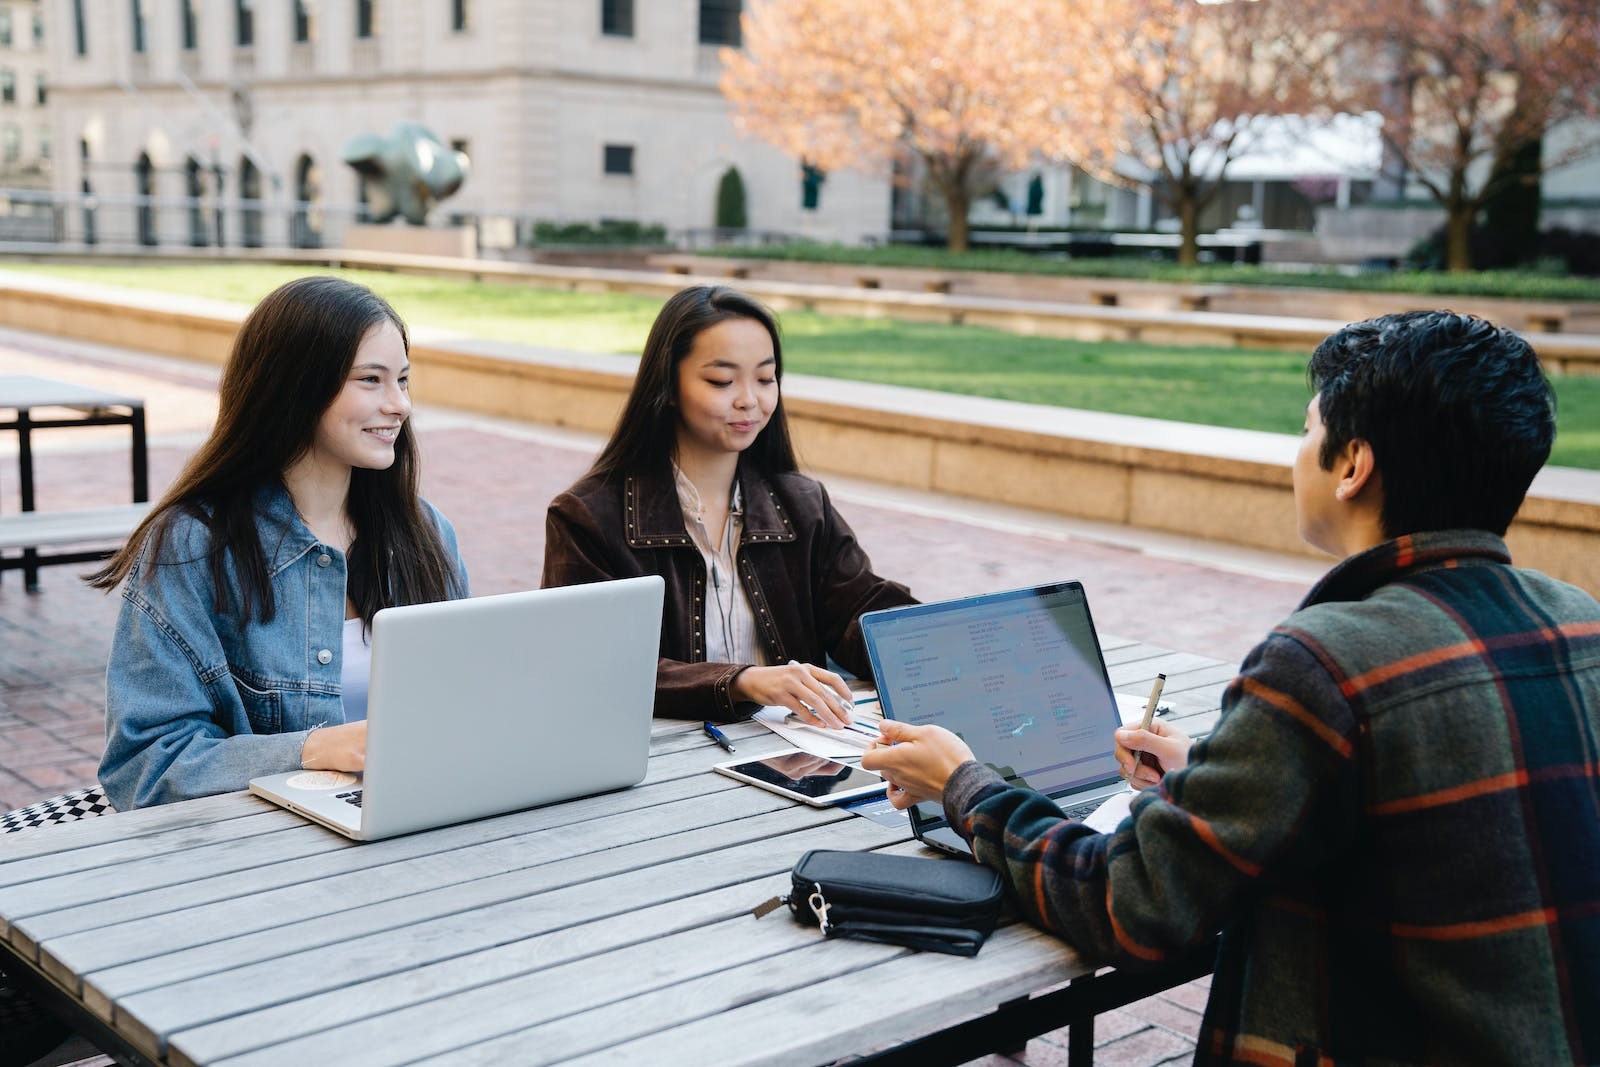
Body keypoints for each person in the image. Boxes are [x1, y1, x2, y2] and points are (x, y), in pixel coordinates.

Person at [863, 311, 1600, 1064]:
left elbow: (1132, 905)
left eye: (1308, 430)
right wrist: (1212, 780)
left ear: (1352, 466)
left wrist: (965, 786)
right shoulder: (1583, 624)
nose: (1298, 454)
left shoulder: (1325, 663)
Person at [90, 276, 469, 810]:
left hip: (422, 818)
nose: (399, 405)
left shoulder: (426, 533)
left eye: (403, 380)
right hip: (265, 852)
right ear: (296, 388)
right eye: (371, 380)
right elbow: (146, 765)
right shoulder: (192, 546)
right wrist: (314, 749)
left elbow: (464, 708)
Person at [542, 285, 914, 724]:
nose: (749, 400)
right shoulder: (588, 517)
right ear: (668, 385)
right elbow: (589, 667)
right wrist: (740, 681)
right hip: (658, 762)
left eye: (765, 378)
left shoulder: (802, 505)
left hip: (796, 754)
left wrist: (932, 636)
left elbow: (862, 610)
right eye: (721, 381)